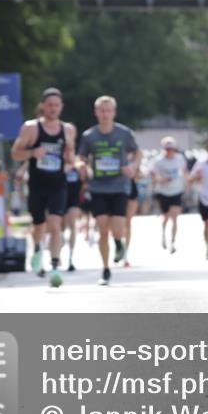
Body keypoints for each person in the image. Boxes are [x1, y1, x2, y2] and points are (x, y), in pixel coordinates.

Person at [11, 88, 77, 287]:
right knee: (39, 226)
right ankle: (38, 248)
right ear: (43, 106)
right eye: (49, 105)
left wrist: (70, 164)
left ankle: (55, 267)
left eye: (57, 105)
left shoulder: (68, 130)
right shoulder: (31, 128)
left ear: (61, 107)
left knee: (55, 226)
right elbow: (15, 153)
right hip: (37, 185)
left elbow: (70, 157)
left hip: (58, 184)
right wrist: (32, 153)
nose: (53, 109)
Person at [77, 95, 139, 286]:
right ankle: (105, 269)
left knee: (118, 227)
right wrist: (83, 167)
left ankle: (119, 243)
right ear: (96, 113)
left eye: (108, 110)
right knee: (103, 229)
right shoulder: (89, 136)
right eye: (101, 111)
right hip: (98, 187)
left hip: (119, 185)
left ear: (114, 112)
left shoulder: (123, 133)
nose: (105, 114)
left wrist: (133, 166)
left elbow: (137, 152)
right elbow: (81, 157)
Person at [152, 136, 188, 254]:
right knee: (166, 216)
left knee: (175, 217)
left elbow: (184, 171)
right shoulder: (158, 160)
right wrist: (161, 180)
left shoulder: (179, 158)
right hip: (163, 192)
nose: (169, 151)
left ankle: (173, 242)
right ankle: (163, 235)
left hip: (176, 191)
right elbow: (154, 175)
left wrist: (187, 183)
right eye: (167, 149)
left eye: (171, 149)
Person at [63, 159, 86, 272]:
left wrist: (82, 171)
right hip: (59, 198)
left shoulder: (79, 165)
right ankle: (58, 252)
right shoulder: (59, 161)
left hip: (74, 199)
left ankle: (70, 258)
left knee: (72, 226)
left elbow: (86, 179)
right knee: (60, 227)